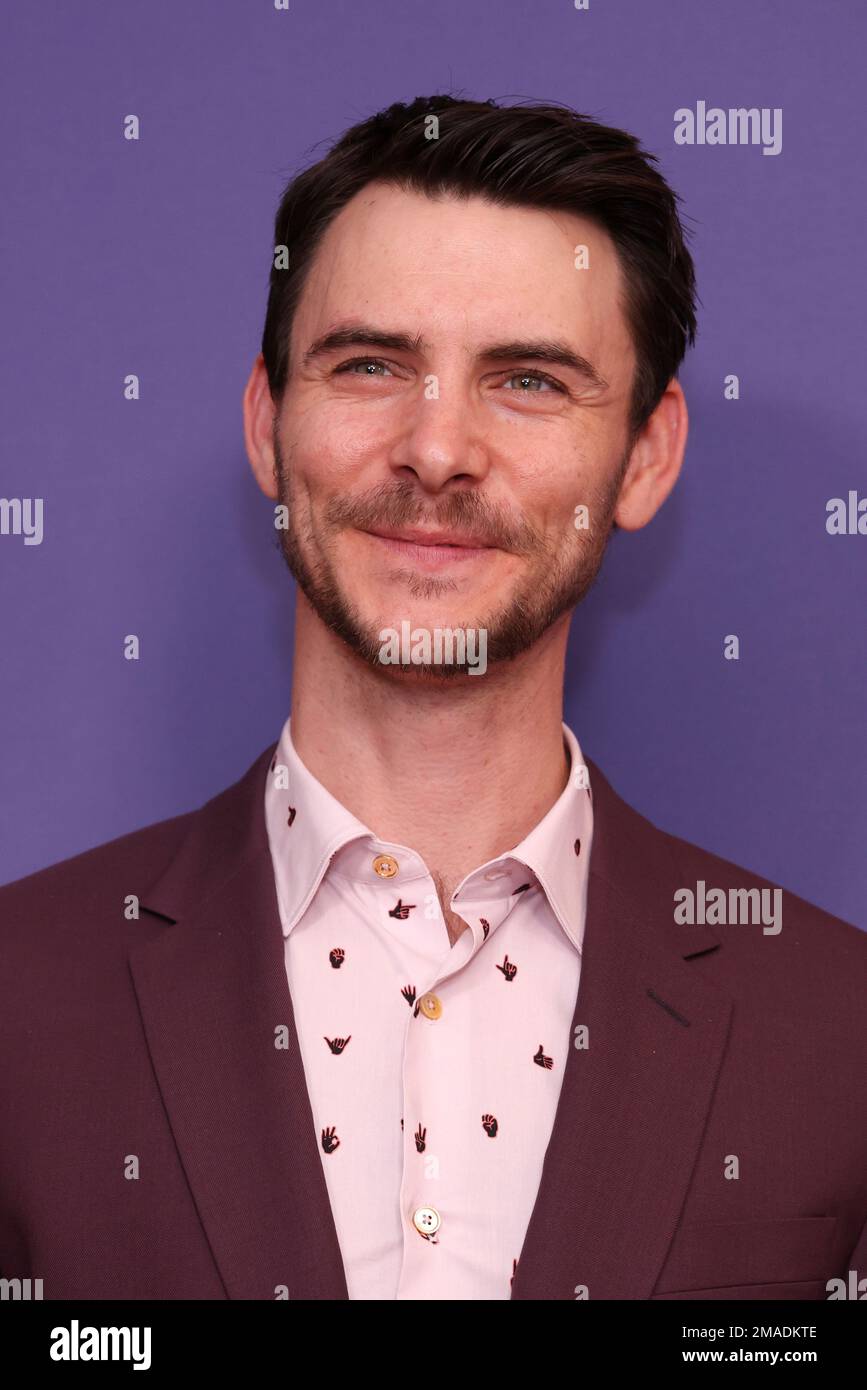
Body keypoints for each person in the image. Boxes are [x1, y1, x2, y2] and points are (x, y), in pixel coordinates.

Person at [1, 96, 865, 1302]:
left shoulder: (841, 1030)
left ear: (647, 457)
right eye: (370, 365)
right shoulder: (20, 994)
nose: (437, 447)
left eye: (527, 380)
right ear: (268, 424)